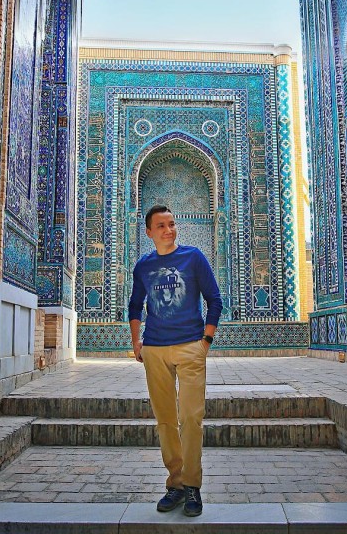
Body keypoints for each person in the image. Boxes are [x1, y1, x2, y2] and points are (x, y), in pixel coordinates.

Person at [128, 204, 223, 517]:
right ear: (149, 232)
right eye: (161, 226)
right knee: (166, 419)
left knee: (192, 417)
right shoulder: (143, 266)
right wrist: (136, 341)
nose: (169, 230)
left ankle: (192, 485)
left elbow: (214, 299)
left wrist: (205, 341)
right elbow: (134, 305)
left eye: (171, 224)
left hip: (190, 347)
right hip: (155, 349)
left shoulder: (193, 257)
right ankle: (176, 483)